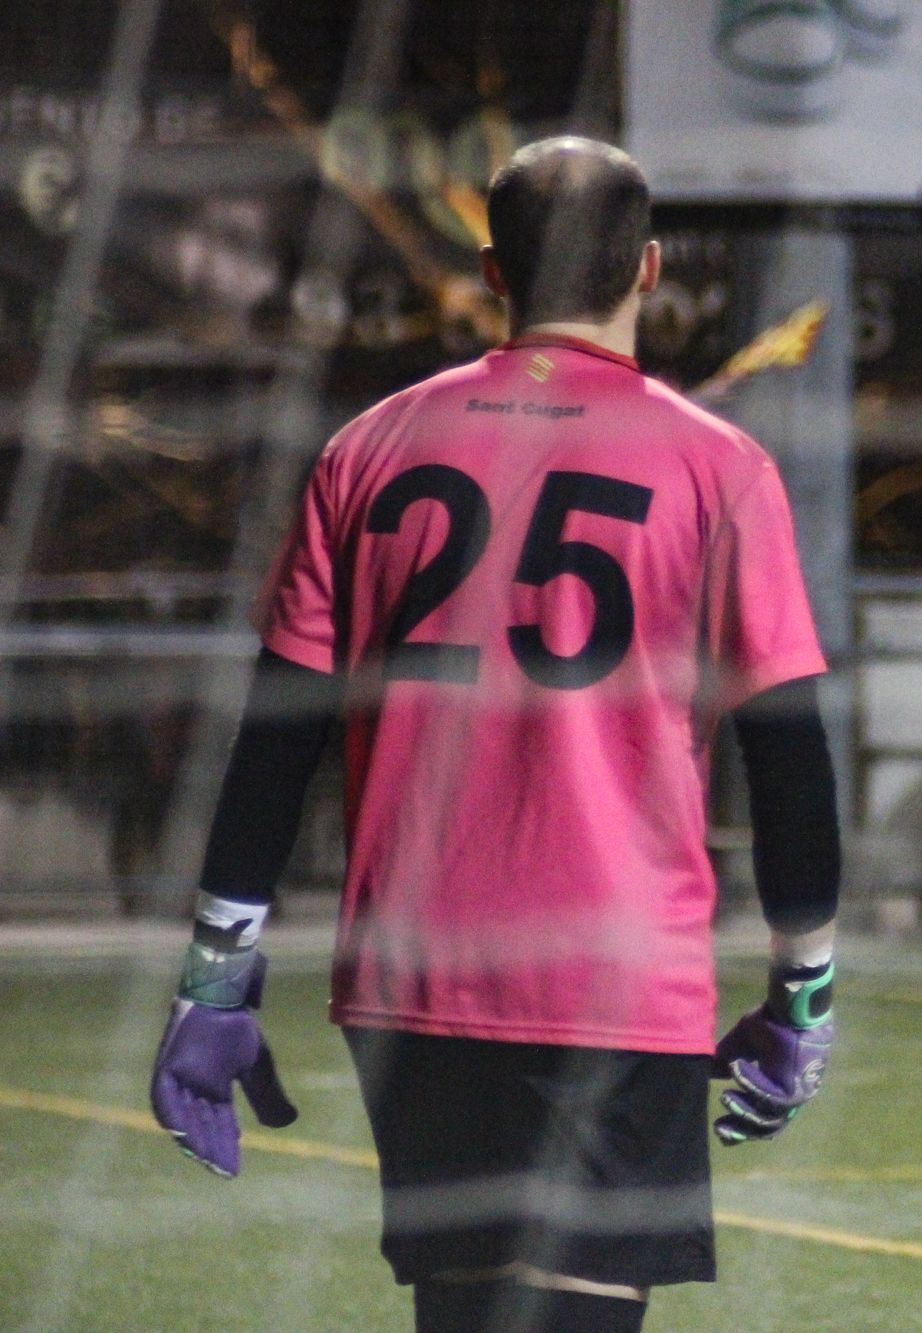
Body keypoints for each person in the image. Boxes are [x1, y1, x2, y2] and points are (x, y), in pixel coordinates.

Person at [147, 137, 840, 1333]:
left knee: (464, 1316)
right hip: (606, 976)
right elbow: (787, 752)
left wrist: (216, 974)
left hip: (414, 974)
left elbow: (277, 735)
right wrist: (805, 992)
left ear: (492, 269)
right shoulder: (717, 465)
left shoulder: (367, 448)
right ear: (650, 269)